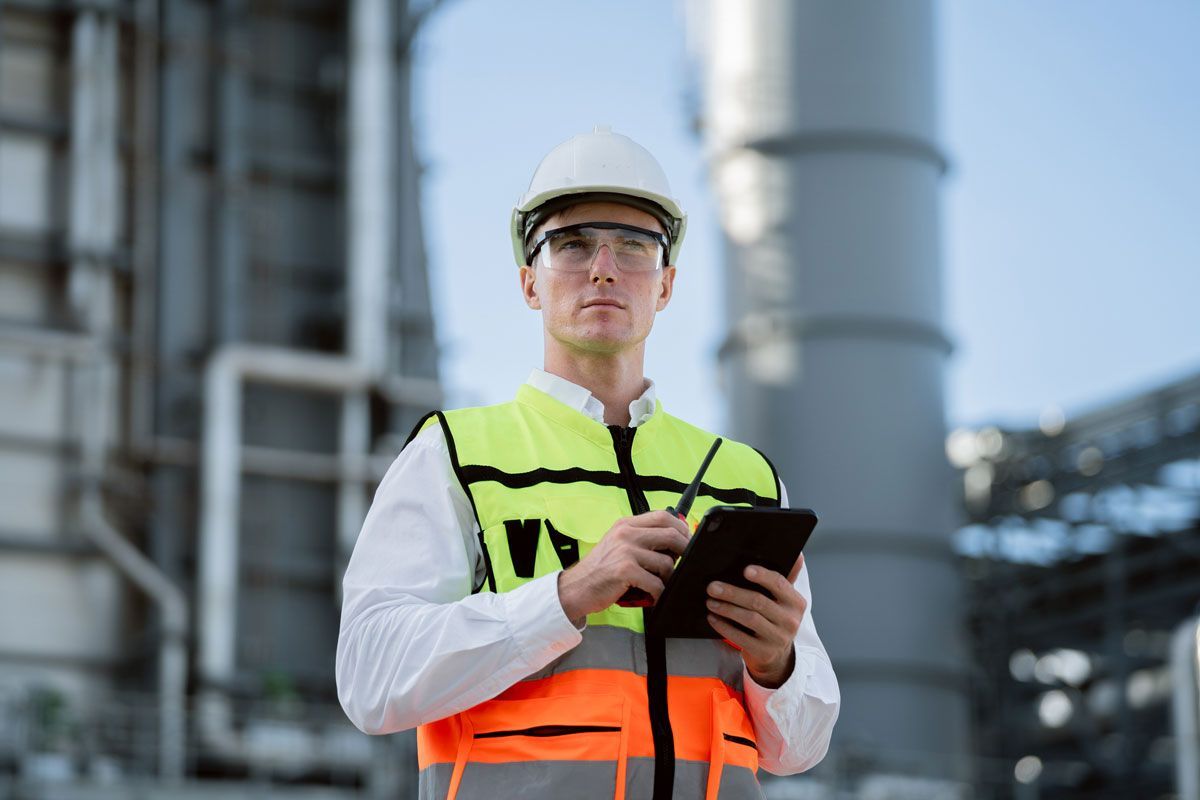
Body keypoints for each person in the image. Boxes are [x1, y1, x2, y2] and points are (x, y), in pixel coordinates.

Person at [336, 126, 839, 800]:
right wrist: (569, 594)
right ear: (528, 284)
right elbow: (370, 680)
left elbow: (799, 749)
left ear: (665, 285)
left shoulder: (745, 479)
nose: (603, 267)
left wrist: (776, 663)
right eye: (571, 245)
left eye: (634, 246)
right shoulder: (454, 454)